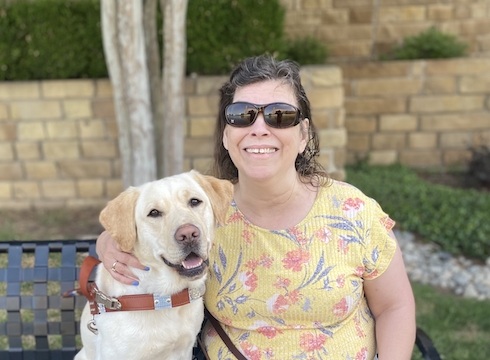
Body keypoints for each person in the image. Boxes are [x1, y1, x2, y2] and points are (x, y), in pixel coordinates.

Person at [96, 55, 416, 359]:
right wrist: (110, 240)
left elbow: (395, 306)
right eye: (242, 115)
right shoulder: (207, 213)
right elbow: (151, 231)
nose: (259, 128)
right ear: (226, 134)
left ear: (303, 134)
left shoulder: (353, 212)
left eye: (279, 115)